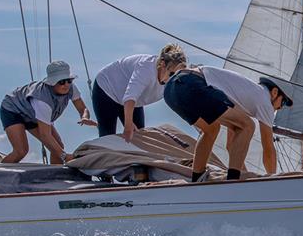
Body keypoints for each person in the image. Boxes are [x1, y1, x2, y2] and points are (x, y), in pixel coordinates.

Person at [163, 66, 292, 182]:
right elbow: (268, 149)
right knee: (249, 126)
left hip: (171, 90)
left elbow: (231, 146)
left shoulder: (244, 97)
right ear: (274, 92)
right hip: (192, 83)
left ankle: (197, 180)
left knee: (211, 129)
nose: (281, 108)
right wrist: (275, 181)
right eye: (284, 102)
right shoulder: (265, 101)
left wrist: (246, 175)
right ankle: (233, 183)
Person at [0, 60, 97, 164]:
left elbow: (83, 108)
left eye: (69, 80)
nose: (66, 85)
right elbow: (45, 135)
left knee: (58, 146)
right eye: (61, 81)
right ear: (52, 82)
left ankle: (57, 177)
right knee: (21, 151)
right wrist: (64, 156)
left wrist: (84, 117)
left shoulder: (71, 88)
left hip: (33, 114)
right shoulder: (42, 100)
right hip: (14, 108)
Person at [92, 43, 188, 142]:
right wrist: (128, 126)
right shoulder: (146, 68)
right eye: (171, 73)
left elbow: (186, 106)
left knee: (139, 135)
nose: (174, 78)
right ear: (163, 64)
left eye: (178, 75)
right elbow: (130, 97)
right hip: (107, 89)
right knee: (108, 136)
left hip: (131, 100)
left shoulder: (175, 81)